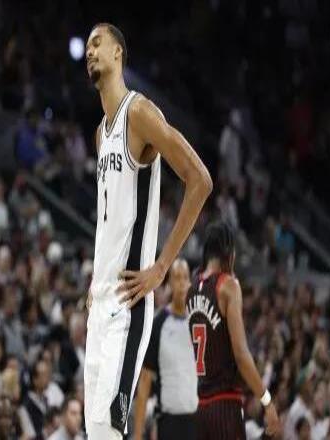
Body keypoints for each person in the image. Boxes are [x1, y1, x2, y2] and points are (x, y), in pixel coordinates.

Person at [84, 22, 212, 440]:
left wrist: (160, 267)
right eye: (87, 47)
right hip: (100, 302)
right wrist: (95, 280)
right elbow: (110, 219)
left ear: (118, 53)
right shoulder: (100, 134)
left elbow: (200, 180)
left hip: (128, 302)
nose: (90, 51)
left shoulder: (139, 113)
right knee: (96, 433)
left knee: (107, 430)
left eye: (97, 43)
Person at [187, 221, 280, 439]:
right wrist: (267, 401)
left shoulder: (192, 290)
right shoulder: (228, 285)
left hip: (201, 409)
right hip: (225, 406)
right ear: (229, 252)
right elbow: (241, 354)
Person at [133, 259, 198, 440]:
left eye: (185, 277)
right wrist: (138, 434)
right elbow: (145, 381)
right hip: (168, 421)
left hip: (197, 419)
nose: (182, 283)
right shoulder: (159, 323)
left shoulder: (199, 322)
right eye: (177, 277)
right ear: (169, 283)